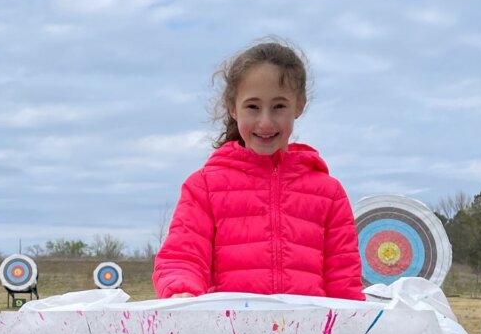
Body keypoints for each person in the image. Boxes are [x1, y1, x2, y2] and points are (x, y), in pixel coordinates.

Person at [152, 39, 364, 300]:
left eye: (279, 106)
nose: (265, 122)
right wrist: (181, 291)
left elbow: (344, 285)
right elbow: (182, 257)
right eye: (252, 107)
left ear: (299, 106)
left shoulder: (329, 193)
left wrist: (352, 333)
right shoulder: (203, 187)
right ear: (233, 108)